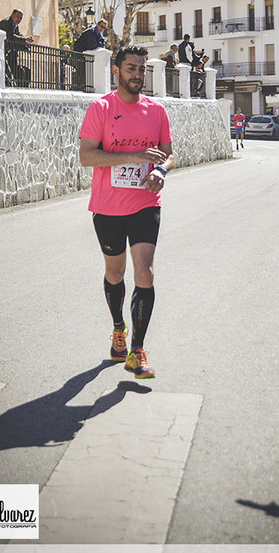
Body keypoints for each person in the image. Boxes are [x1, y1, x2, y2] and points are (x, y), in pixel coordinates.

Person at [79, 45, 175, 379]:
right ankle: (118, 328)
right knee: (115, 272)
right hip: (107, 206)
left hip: (145, 202)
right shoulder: (101, 108)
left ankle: (137, 351)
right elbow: (87, 156)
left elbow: (169, 154)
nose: (137, 74)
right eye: (131, 68)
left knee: (144, 273)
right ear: (117, 71)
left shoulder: (156, 110)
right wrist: (134, 156)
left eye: (141, 68)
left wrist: (160, 171)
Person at [0, 9, 33, 87]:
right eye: (17, 16)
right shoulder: (7, 23)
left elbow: (18, 35)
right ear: (12, 15)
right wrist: (25, 39)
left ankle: (22, 89)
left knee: (24, 71)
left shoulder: (15, 26)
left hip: (8, 53)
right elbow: (11, 37)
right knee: (7, 74)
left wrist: (26, 44)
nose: (19, 19)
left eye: (21, 18)